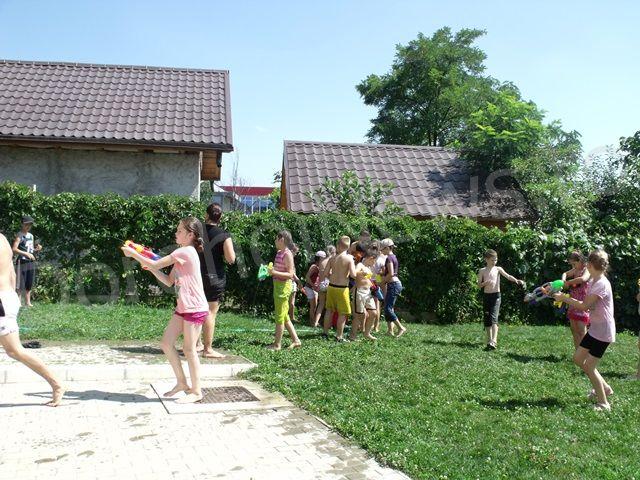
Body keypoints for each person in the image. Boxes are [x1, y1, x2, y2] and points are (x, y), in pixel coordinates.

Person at [122, 217, 209, 404]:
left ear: (190, 235)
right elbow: (169, 281)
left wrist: (134, 254)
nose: (176, 233)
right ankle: (182, 383)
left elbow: (156, 263)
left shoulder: (185, 251)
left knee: (189, 350)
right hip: (184, 307)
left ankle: (197, 391)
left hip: (194, 308)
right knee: (166, 343)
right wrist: (151, 269)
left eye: (179, 231)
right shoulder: (181, 255)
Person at [0, 232, 65, 406]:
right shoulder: (3, 239)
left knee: (15, 350)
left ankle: (57, 384)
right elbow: (12, 273)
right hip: (6, 297)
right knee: (14, 350)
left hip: (2, 301)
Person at [553, 250, 616, 411]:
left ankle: (603, 403)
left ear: (589, 265)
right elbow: (588, 304)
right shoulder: (595, 279)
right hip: (596, 329)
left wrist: (564, 298)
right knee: (578, 358)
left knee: (589, 367)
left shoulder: (601, 284)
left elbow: (584, 306)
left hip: (603, 332)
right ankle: (605, 388)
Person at [197, 203, 235, 359]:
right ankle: (208, 349)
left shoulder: (197, 231)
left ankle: (196, 343)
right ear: (220, 217)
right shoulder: (224, 235)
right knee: (210, 313)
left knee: (196, 310)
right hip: (214, 278)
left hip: (195, 276)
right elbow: (231, 259)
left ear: (206, 215)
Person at [477, 249, 525, 350]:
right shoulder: (482, 271)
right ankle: (489, 340)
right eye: (492, 260)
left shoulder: (498, 269)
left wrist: (516, 280)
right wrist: (485, 283)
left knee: (494, 318)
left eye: (496, 260)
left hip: (496, 296)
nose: (494, 262)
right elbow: (479, 285)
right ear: (486, 259)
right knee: (487, 319)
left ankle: (494, 341)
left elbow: (508, 276)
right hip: (487, 296)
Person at [268, 230, 302, 350]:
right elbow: (278, 270)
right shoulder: (279, 253)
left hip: (283, 287)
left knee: (279, 317)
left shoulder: (287, 254)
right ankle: (296, 340)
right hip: (278, 285)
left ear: (281, 240)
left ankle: (277, 345)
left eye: (276, 239)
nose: (275, 241)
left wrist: (274, 272)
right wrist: (269, 271)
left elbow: (290, 274)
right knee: (284, 316)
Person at [323, 236, 356, 342]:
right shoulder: (349, 259)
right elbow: (353, 275)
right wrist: (361, 273)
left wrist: (332, 277)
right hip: (342, 289)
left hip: (331, 287)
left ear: (338, 246)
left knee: (329, 310)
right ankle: (339, 336)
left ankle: (325, 333)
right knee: (343, 313)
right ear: (348, 247)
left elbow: (325, 273)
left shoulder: (332, 258)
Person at [561, 251, 591, 348]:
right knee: (574, 329)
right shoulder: (575, 270)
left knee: (581, 329)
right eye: (572, 264)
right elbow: (565, 273)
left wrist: (568, 282)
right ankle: (577, 351)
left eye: (574, 264)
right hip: (573, 302)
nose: (573, 266)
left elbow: (583, 279)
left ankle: (585, 352)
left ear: (581, 261)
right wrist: (563, 280)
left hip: (582, 303)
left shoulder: (586, 270)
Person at [12, 215, 42, 307]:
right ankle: (18, 303)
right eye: (26, 224)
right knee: (20, 282)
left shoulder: (31, 236)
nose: (28, 226)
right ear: (22, 224)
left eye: (30, 224)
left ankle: (28, 302)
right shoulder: (19, 235)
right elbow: (14, 249)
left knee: (29, 282)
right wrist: (25, 254)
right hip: (22, 261)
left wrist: (36, 249)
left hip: (30, 261)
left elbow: (30, 250)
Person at [380, 238, 407, 338]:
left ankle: (400, 327)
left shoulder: (389, 258)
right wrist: (383, 273)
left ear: (387, 248)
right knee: (388, 307)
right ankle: (389, 331)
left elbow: (391, 273)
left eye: (382, 249)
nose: (381, 251)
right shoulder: (393, 257)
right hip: (394, 284)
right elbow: (391, 271)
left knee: (388, 308)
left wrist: (383, 281)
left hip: (394, 285)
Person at [352, 246, 379, 341]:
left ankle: (367, 333)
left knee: (373, 313)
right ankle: (353, 336)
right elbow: (354, 274)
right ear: (371, 258)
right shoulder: (360, 265)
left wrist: (375, 284)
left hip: (368, 292)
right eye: (374, 261)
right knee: (359, 315)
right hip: (359, 292)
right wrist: (361, 273)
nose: (374, 263)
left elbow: (369, 279)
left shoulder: (369, 268)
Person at [313, 245, 335, 327]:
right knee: (330, 306)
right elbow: (330, 273)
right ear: (333, 252)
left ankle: (316, 322)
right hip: (329, 284)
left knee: (321, 304)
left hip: (321, 284)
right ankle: (329, 324)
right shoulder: (331, 261)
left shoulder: (322, 261)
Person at [303, 251, 325, 326]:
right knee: (313, 306)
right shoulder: (314, 266)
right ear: (320, 258)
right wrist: (313, 285)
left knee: (315, 305)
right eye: (323, 258)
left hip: (313, 288)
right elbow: (307, 277)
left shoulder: (319, 266)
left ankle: (313, 321)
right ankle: (312, 322)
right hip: (309, 287)